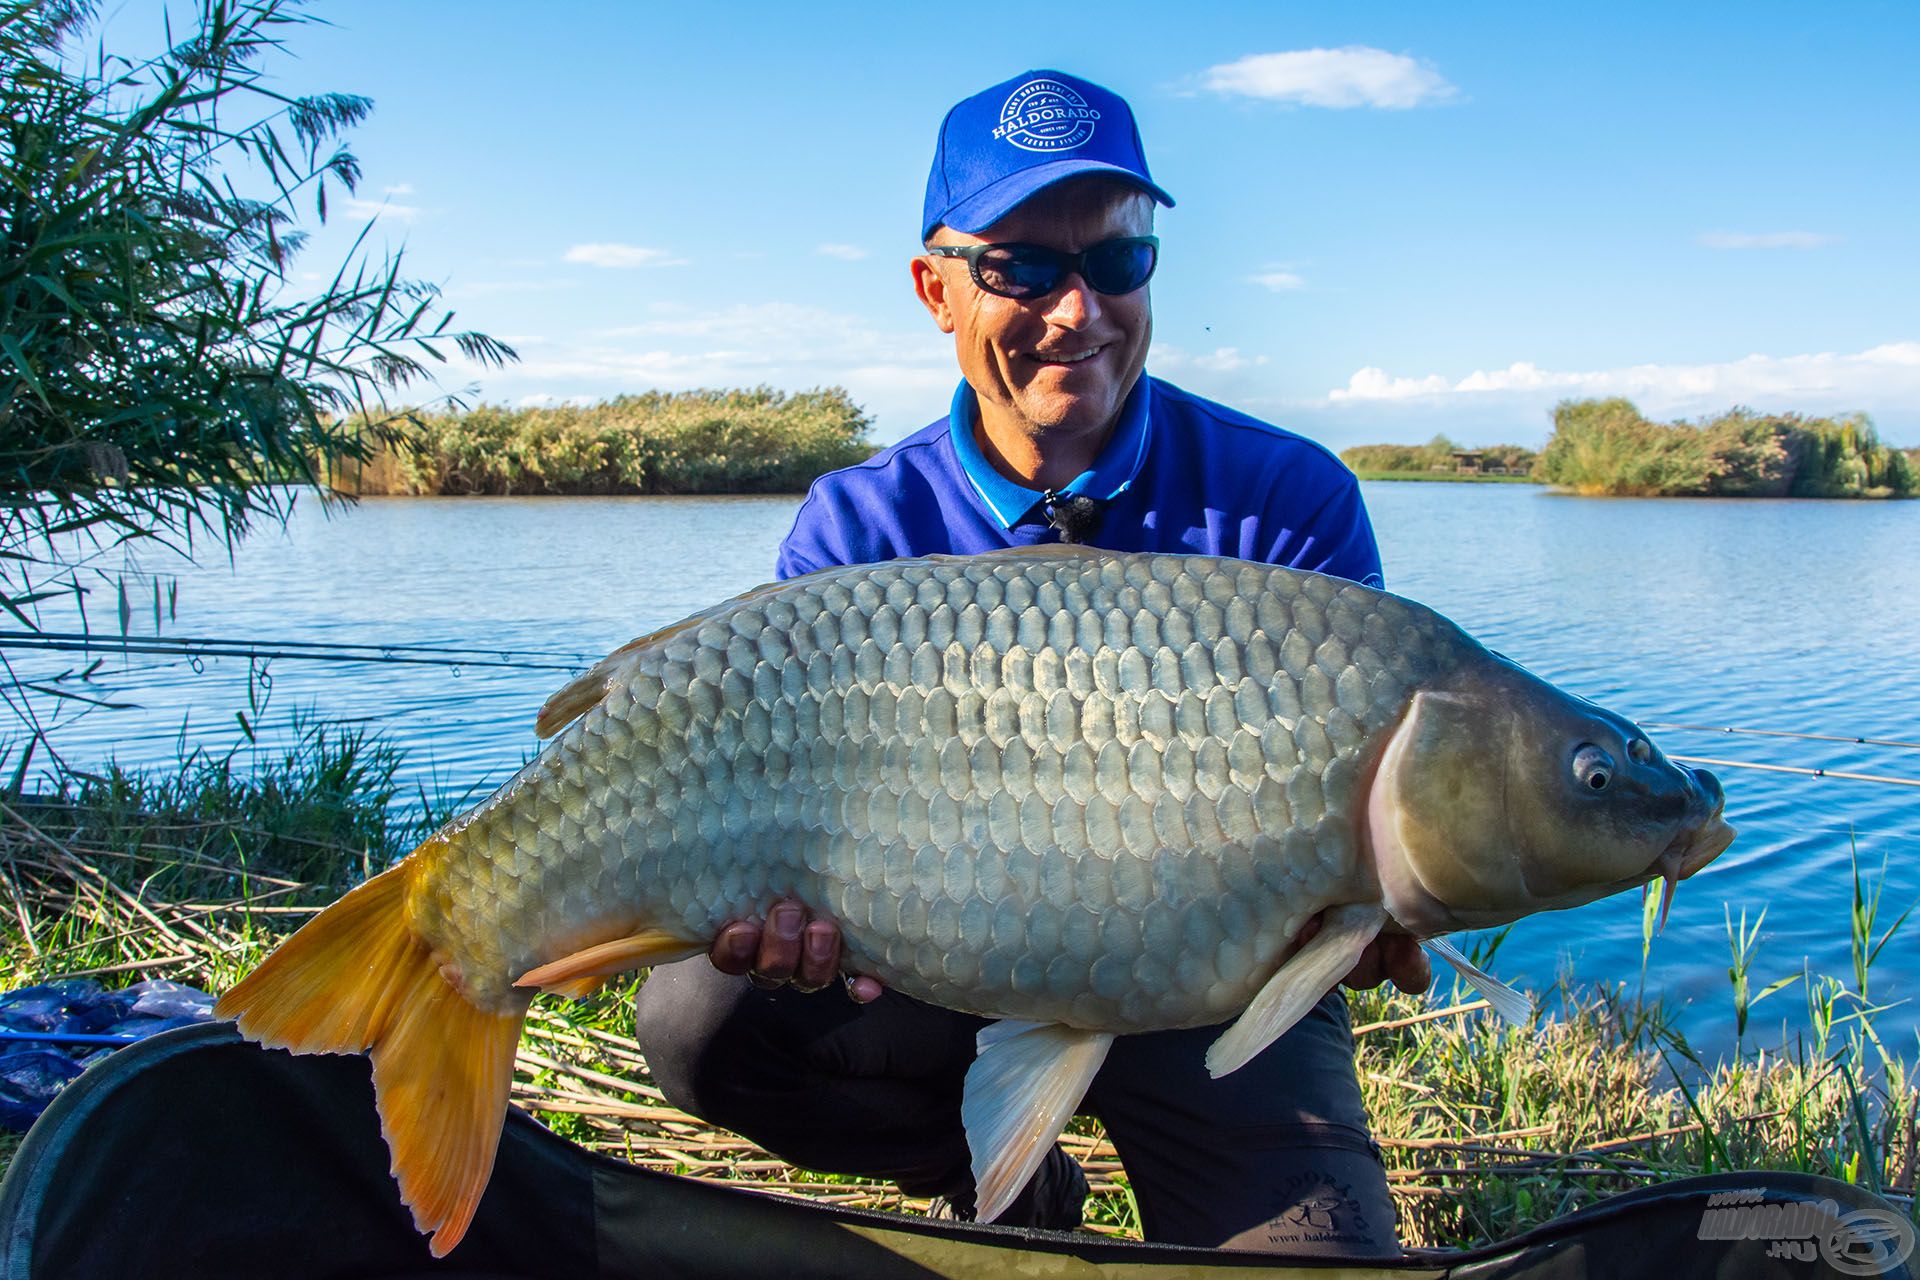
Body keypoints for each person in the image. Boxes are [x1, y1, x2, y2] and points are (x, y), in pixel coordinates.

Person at [633, 69, 1431, 1256]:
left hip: (1220, 991)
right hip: (943, 969)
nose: (1078, 310)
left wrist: (1381, 899)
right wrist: (788, 929)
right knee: (702, 1015)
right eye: (1020, 268)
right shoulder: (856, 530)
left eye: (1115, 263)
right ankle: (994, 1173)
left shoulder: (1286, 501)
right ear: (935, 288)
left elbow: (1365, 851)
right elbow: (782, 837)